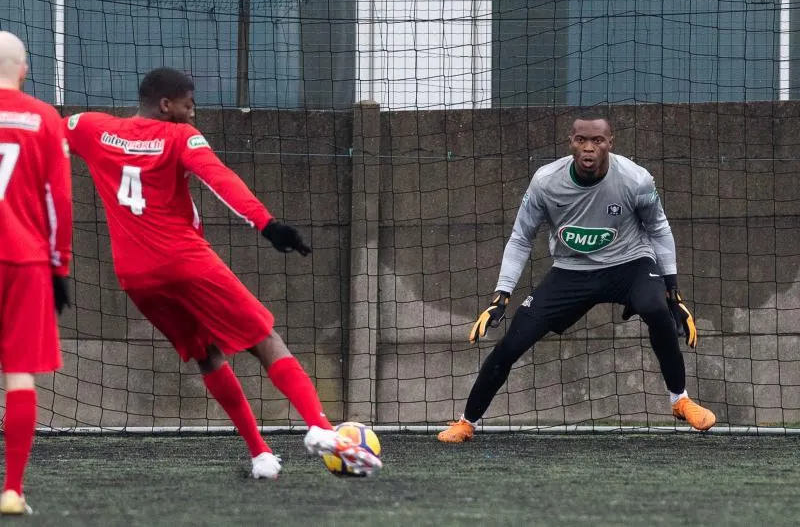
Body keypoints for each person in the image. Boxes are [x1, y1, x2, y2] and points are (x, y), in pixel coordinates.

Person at [64, 67, 381, 477]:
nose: (192, 115)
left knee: (205, 354)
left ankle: (261, 456)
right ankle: (319, 428)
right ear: (167, 105)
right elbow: (219, 178)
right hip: (184, 260)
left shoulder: (92, 127)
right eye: (188, 105)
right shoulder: (178, 136)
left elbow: (44, 133)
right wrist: (268, 225)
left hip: (136, 277)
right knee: (266, 338)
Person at [438, 116, 715, 443]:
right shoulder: (545, 182)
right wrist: (501, 296)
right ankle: (466, 422)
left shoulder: (635, 180)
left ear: (610, 143)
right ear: (570, 141)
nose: (588, 147)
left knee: (655, 307)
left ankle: (679, 400)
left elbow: (658, 229)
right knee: (512, 342)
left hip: (629, 263)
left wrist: (673, 292)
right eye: (581, 139)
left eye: (597, 140)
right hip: (572, 270)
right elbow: (521, 238)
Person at [0, 31, 73, 514]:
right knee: (19, 372)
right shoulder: (45, 118)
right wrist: (59, 264)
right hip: (23, 261)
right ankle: (12, 491)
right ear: (25, 69)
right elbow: (59, 201)